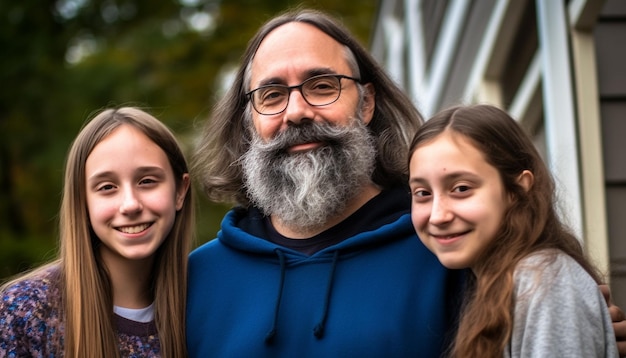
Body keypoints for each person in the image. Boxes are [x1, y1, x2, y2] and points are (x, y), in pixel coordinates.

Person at [187, 8, 626, 358]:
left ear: (367, 103)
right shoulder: (194, 280)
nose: (297, 111)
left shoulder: (455, 249)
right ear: (249, 121)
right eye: (272, 95)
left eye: (322, 86)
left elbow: (552, 314)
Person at [408, 104, 619, 357]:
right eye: (422, 193)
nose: (438, 215)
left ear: (517, 190)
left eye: (461, 188)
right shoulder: (489, 285)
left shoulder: (543, 280)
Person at [0, 107, 193, 357]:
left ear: (180, 191)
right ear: (82, 201)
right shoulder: (26, 311)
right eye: (107, 187)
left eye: (147, 181)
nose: (130, 204)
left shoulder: (204, 304)